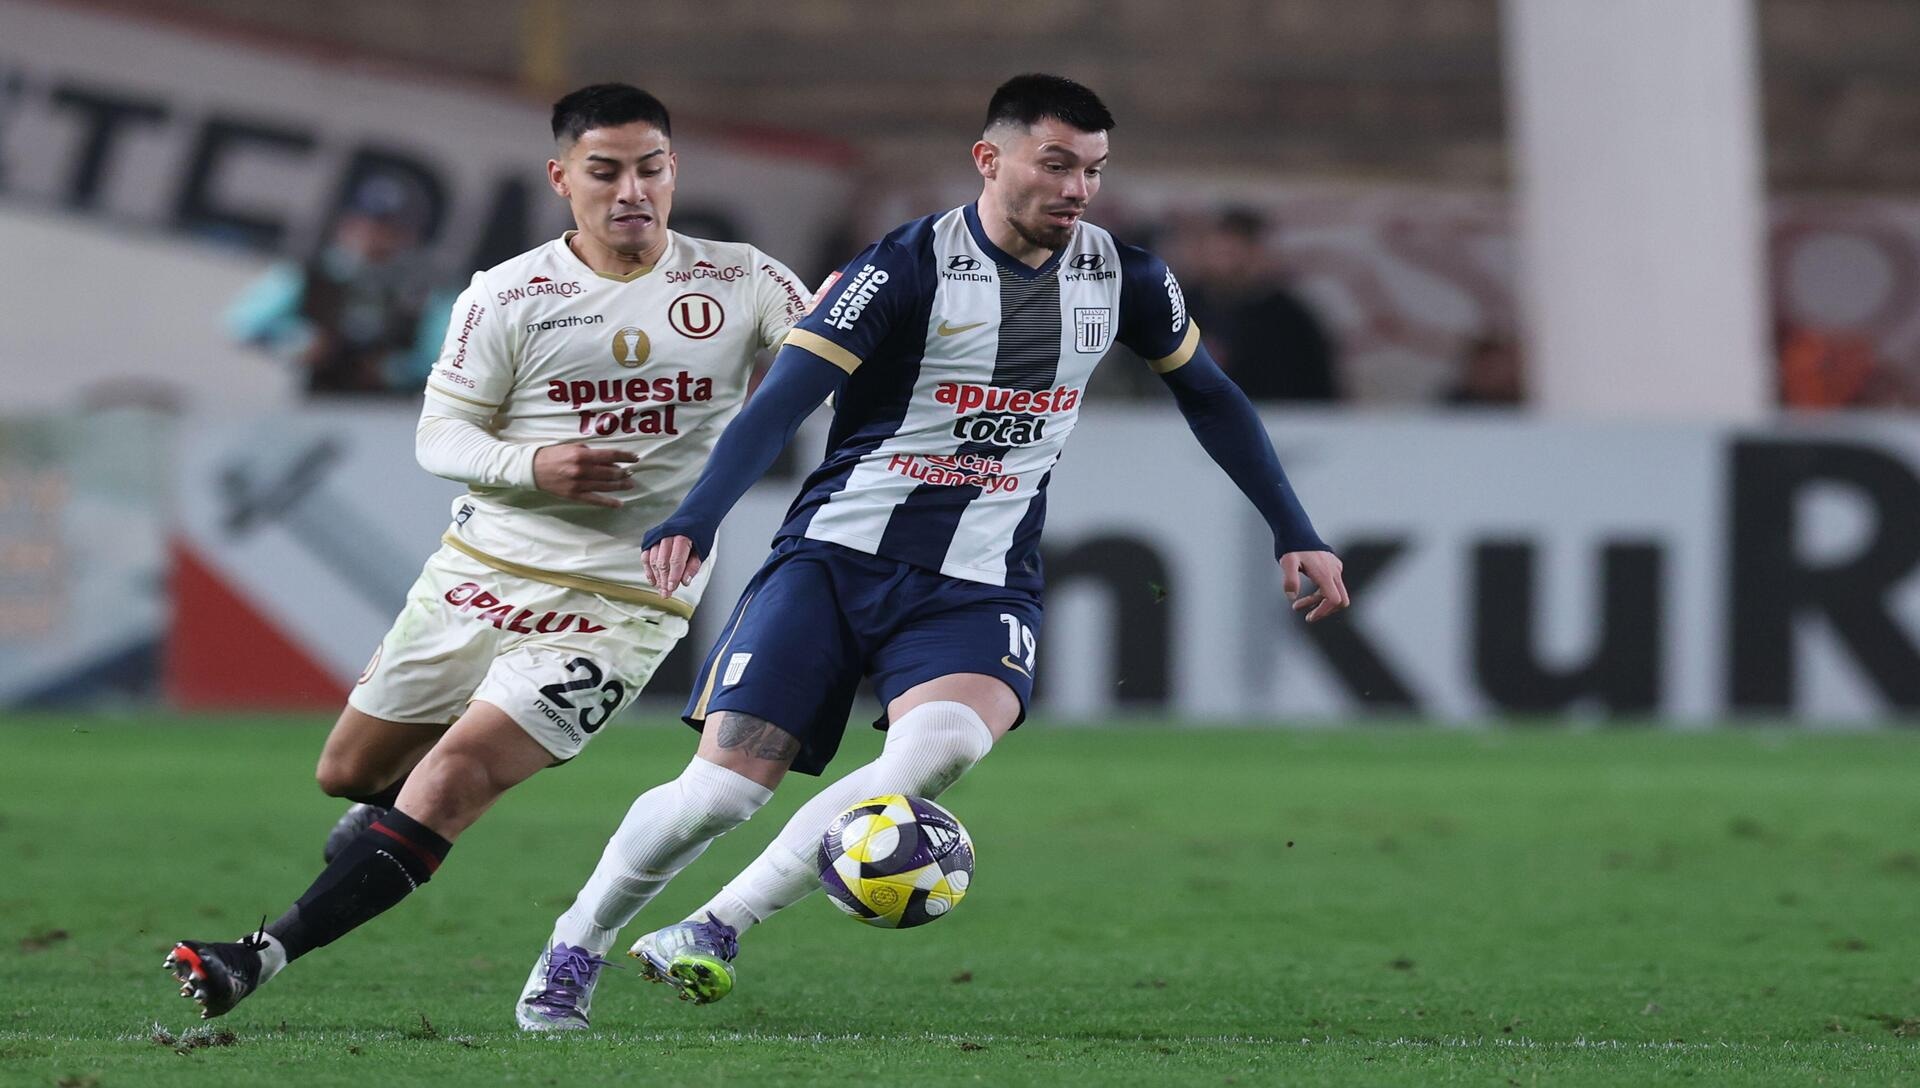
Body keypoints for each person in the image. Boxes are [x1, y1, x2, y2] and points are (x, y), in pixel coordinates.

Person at [512, 73, 1351, 1028]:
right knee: (718, 796)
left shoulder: (1127, 277)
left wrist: (1295, 529)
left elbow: (1210, 397)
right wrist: (698, 515)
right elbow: (783, 399)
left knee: (946, 742)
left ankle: (715, 926)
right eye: (1058, 165)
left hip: (981, 577)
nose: (1078, 189)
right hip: (835, 560)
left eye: (1094, 171)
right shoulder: (903, 267)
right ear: (989, 160)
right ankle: (575, 943)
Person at [162, 83, 812, 1023]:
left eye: (651, 168)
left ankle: (259, 956)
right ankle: (393, 821)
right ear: (562, 178)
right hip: (482, 570)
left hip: (626, 595)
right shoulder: (510, 292)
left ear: (674, 172)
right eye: (605, 171)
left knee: (456, 774)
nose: (632, 189)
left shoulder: (744, 279)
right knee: (349, 775)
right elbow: (441, 436)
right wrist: (533, 462)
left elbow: (832, 363)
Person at [227, 176, 444, 395]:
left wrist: (396, 370)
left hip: (387, 412)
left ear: (411, 236)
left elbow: (444, 360)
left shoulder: (426, 291)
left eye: (390, 230)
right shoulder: (307, 273)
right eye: (368, 224)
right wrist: (298, 340)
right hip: (316, 401)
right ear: (346, 224)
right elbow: (240, 323)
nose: (375, 237)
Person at [1182, 207, 1340, 402]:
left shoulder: (1289, 319)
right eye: (1216, 252)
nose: (1221, 263)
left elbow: (1315, 391)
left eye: (1231, 253)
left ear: (1257, 252)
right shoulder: (1180, 306)